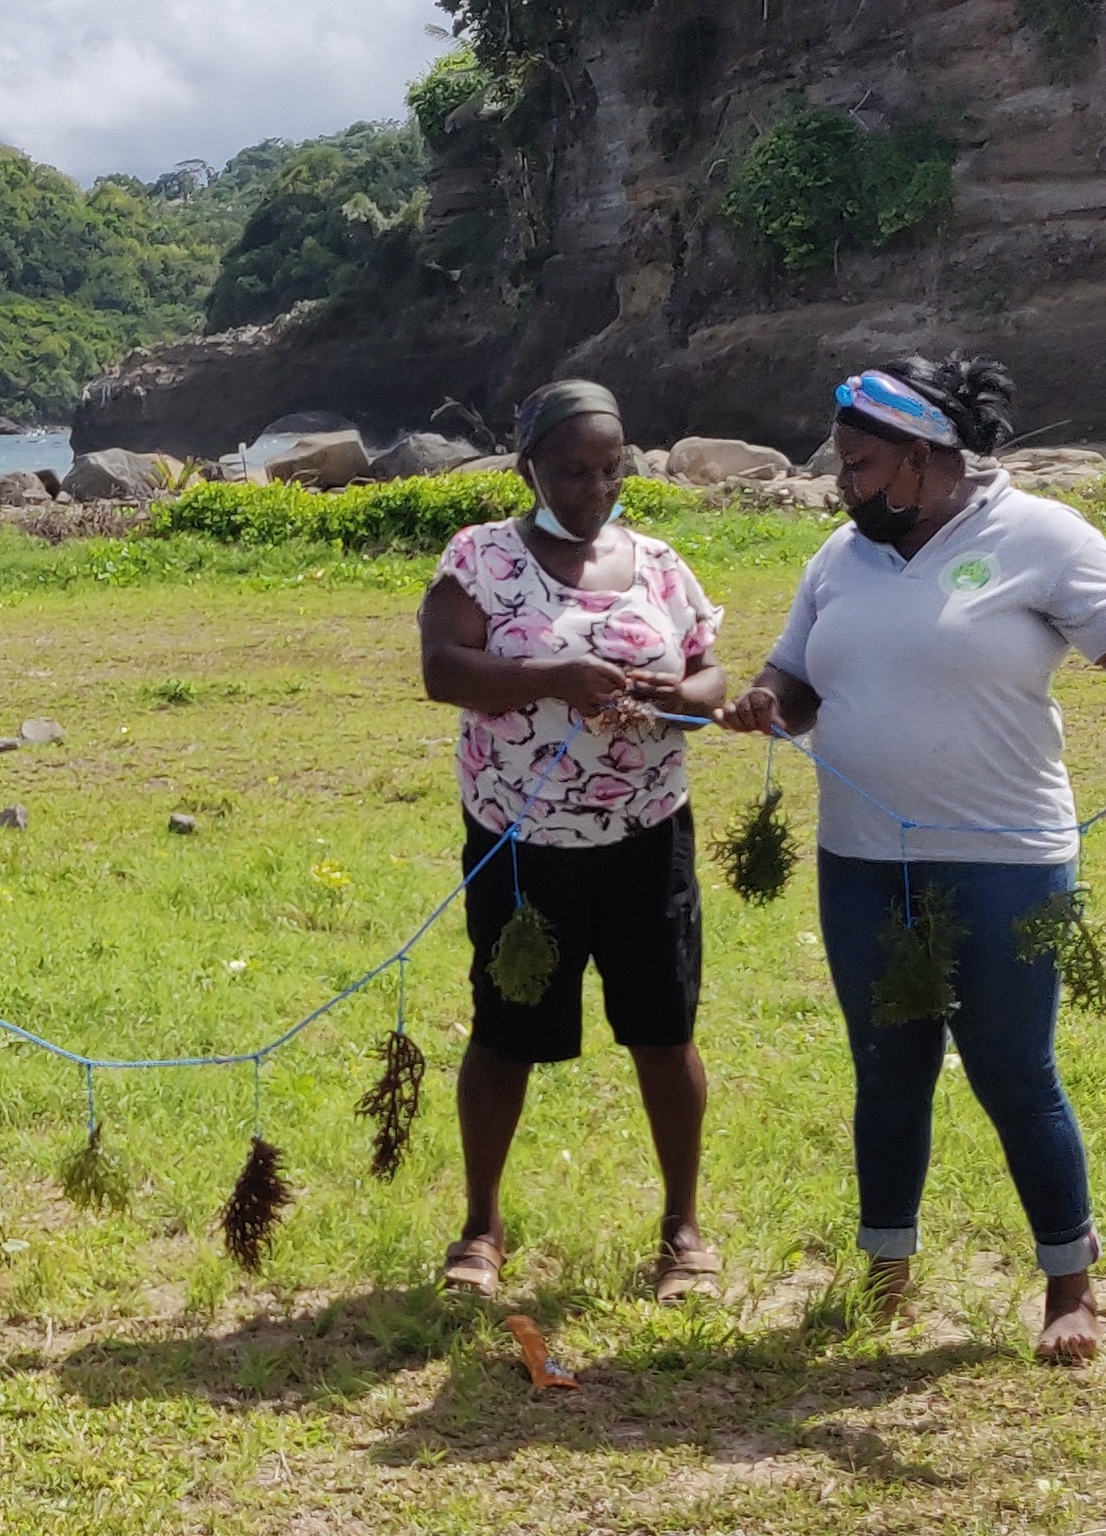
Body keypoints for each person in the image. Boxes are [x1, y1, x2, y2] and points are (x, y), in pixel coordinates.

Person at [719, 354, 1106, 1361]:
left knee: (1012, 1072)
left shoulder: (1041, 538)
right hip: (859, 863)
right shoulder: (837, 557)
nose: (838, 484)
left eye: (854, 466)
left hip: (1004, 861)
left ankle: (1070, 1286)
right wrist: (764, 703)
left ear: (924, 457)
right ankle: (885, 1273)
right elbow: (795, 681)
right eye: (838, 466)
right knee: (886, 1071)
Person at [419, 380, 727, 1302]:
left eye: (610, 467)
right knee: (506, 1032)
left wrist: (670, 697)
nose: (595, 488)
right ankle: (481, 1227)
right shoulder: (480, 558)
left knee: (664, 1033)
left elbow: (711, 675)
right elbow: (444, 671)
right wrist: (561, 675)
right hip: (522, 839)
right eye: (572, 470)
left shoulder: (662, 564)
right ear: (530, 469)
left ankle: (683, 1230)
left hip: (648, 835)